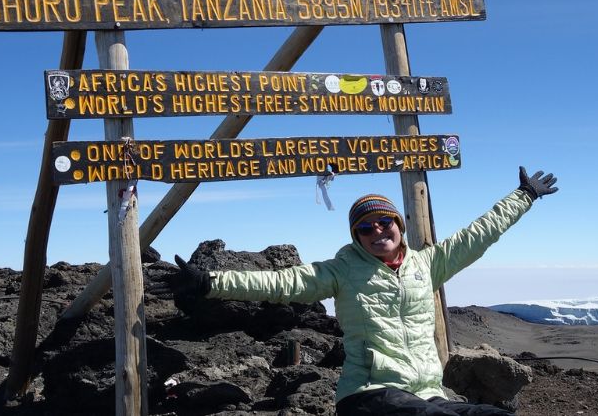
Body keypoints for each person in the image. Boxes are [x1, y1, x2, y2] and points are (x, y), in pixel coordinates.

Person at [159, 166, 560, 415]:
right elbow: (280, 282)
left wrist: (522, 197)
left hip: (427, 394)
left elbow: (479, 234)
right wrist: (211, 282)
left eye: (384, 223)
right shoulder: (341, 271)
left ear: (399, 226)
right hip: (369, 396)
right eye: (365, 228)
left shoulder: (427, 264)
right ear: (356, 236)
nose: (377, 232)